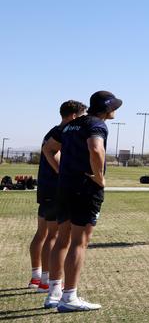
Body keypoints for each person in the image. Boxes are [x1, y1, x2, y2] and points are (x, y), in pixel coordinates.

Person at [45, 90, 122, 312]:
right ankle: (69, 298)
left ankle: (54, 293)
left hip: (65, 188)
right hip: (85, 189)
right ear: (107, 108)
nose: (115, 109)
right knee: (79, 242)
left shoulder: (71, 125)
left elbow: (48, 149)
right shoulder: (97, 124)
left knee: (62, 240)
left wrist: (62, 172)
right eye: (114, 106)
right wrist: (99, 178)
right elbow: (96, 148)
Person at [29, 100, 87, 292]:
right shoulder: (65, 133)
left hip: (45, 189)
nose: (84, 119)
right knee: (54, 236)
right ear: (73, 116)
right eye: (82, 115)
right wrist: (64, 173)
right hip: (55, 189)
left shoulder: (52, 131)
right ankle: (46, 280)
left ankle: (36, 277)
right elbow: (55, 157)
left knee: (42, 234)